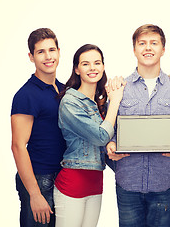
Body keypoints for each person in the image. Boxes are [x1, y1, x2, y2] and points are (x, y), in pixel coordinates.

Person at [106, 24, 170, 227]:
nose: (148, 48)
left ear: (163, 49)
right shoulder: (119, 88)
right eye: (142, 43)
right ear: (134, 49)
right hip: (127, 182)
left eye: (154, 43)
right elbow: (110, 130)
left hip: (163, 183)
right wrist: (110, 145)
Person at [53, 44, 125, 227]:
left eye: (97, 63)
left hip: (95, 182)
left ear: (103, 67)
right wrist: (115, 101)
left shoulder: (98, 103)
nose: (92, 68)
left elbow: (107, 141)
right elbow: (101, 136)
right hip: (73, 183)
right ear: (77, 69)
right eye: (85, 64)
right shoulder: (70, 102)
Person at [11, 28, 66, 226]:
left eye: (51, 50)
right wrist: (34, 194)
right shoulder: (27, 94)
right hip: (39, 179)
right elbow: (18, 145)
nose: (48, 56)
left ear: (59, 52)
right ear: (31, 57)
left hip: (62, 178)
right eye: (40, 52)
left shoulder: (63, 89)